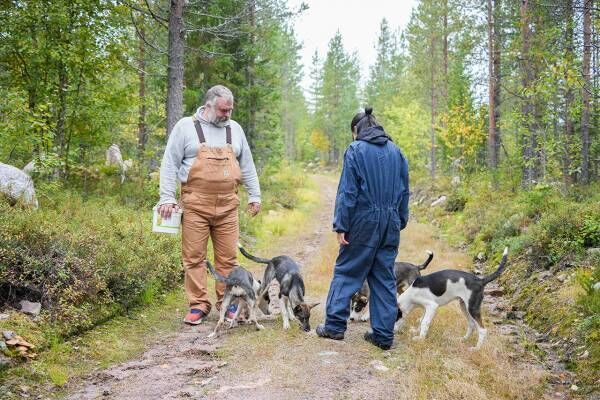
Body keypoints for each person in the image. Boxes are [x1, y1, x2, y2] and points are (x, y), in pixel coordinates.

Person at [157, 85, 261, 325]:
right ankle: (198, 305)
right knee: (194, 257)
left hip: (228, 206)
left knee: (227, 258)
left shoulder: (235, 129)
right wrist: (167, 197)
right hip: (195, 205)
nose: (227, 115)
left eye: (230, 110)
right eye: (223, 110)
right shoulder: (185, 127)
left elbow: (248, 165)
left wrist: (255, 195)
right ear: (208, 106)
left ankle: (227, 303)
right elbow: (169, 164)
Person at [316, 107, 409, 350]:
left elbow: (348, 191)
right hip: (390, 223)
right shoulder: (397, 152)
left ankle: (334, 326)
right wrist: (401, 219)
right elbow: (404, 191)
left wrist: (341, 225)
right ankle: (383, 335)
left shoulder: (356, 150)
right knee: (383, 277)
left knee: (347, 271)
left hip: (363, 222)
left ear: (357, 130)